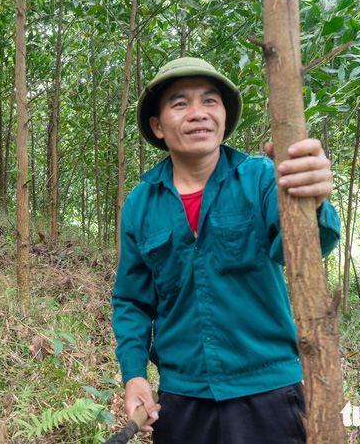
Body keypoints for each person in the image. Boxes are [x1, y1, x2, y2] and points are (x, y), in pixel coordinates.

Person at [111, 57, 340, 443]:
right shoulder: (140, 205)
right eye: (180, 103)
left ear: (224, 117)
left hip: (268, 391)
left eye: (210, 101)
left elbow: (306, 247)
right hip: (183, 397)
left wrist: (313, 199)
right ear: (157, 126)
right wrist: (134, 373)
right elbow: (132, 301)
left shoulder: (262, 178)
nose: (198, 113)